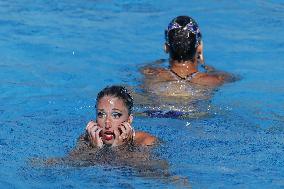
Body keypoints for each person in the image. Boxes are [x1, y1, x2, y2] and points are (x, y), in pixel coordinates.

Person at [141, 15, 234, 91]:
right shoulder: (216, 80)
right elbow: (232, 78)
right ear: (200, 47)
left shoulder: (149, 73)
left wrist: (159, 61)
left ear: (166, 48)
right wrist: (204, 64)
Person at [83, 85, 156, 149]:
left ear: (129, 120)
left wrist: (120, 149)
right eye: (101, 114)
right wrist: (95, 149)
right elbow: (75, 163)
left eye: (115, 115)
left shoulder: (146, 141)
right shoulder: (89, 138)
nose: (107, 124)